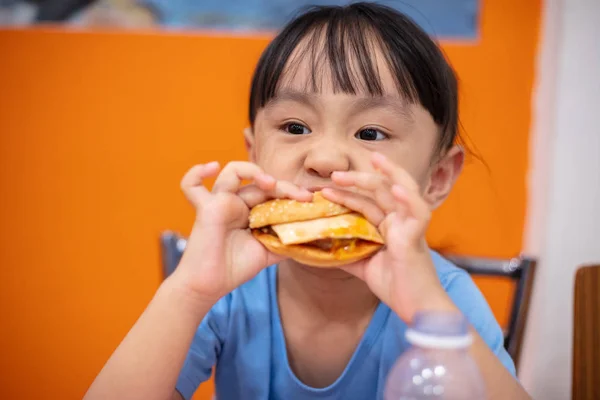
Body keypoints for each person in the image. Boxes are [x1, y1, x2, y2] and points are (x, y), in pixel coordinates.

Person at [84, 3, 531, 399]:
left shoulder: (443, 297)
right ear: (254, 154)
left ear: (435, 178)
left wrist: (429, 311)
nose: (324, 158)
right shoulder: (230, 292)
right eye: (295, 127)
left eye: (371, 133)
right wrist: (188, 293)